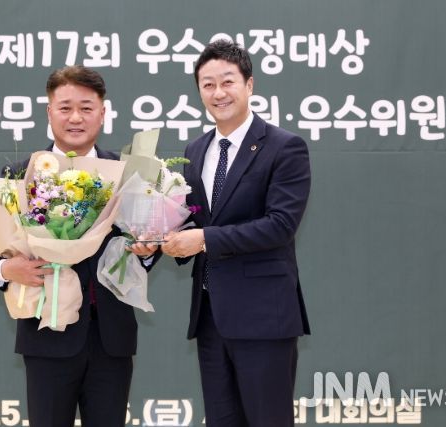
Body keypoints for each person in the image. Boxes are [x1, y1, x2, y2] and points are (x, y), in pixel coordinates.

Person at [0, 65, 158, 427]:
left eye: (86, 108)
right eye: (65, 108)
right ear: (49, 112)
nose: (76, 117)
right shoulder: (20, 175)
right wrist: (7, 269)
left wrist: (149, 251)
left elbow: (147, 243)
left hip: (111, 339)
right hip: (47, 337)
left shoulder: (129, 174)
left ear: (102, 113)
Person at [161, 40, 311, 427]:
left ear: (249, 85)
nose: (218, 93)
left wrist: (203, 240)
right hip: (211, 317)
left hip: (264, 318)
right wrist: (162, 240)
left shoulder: (285, 147)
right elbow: (193, 221)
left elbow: (280, 225)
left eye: (227, 81)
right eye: (208, 84)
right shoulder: (195, 150)